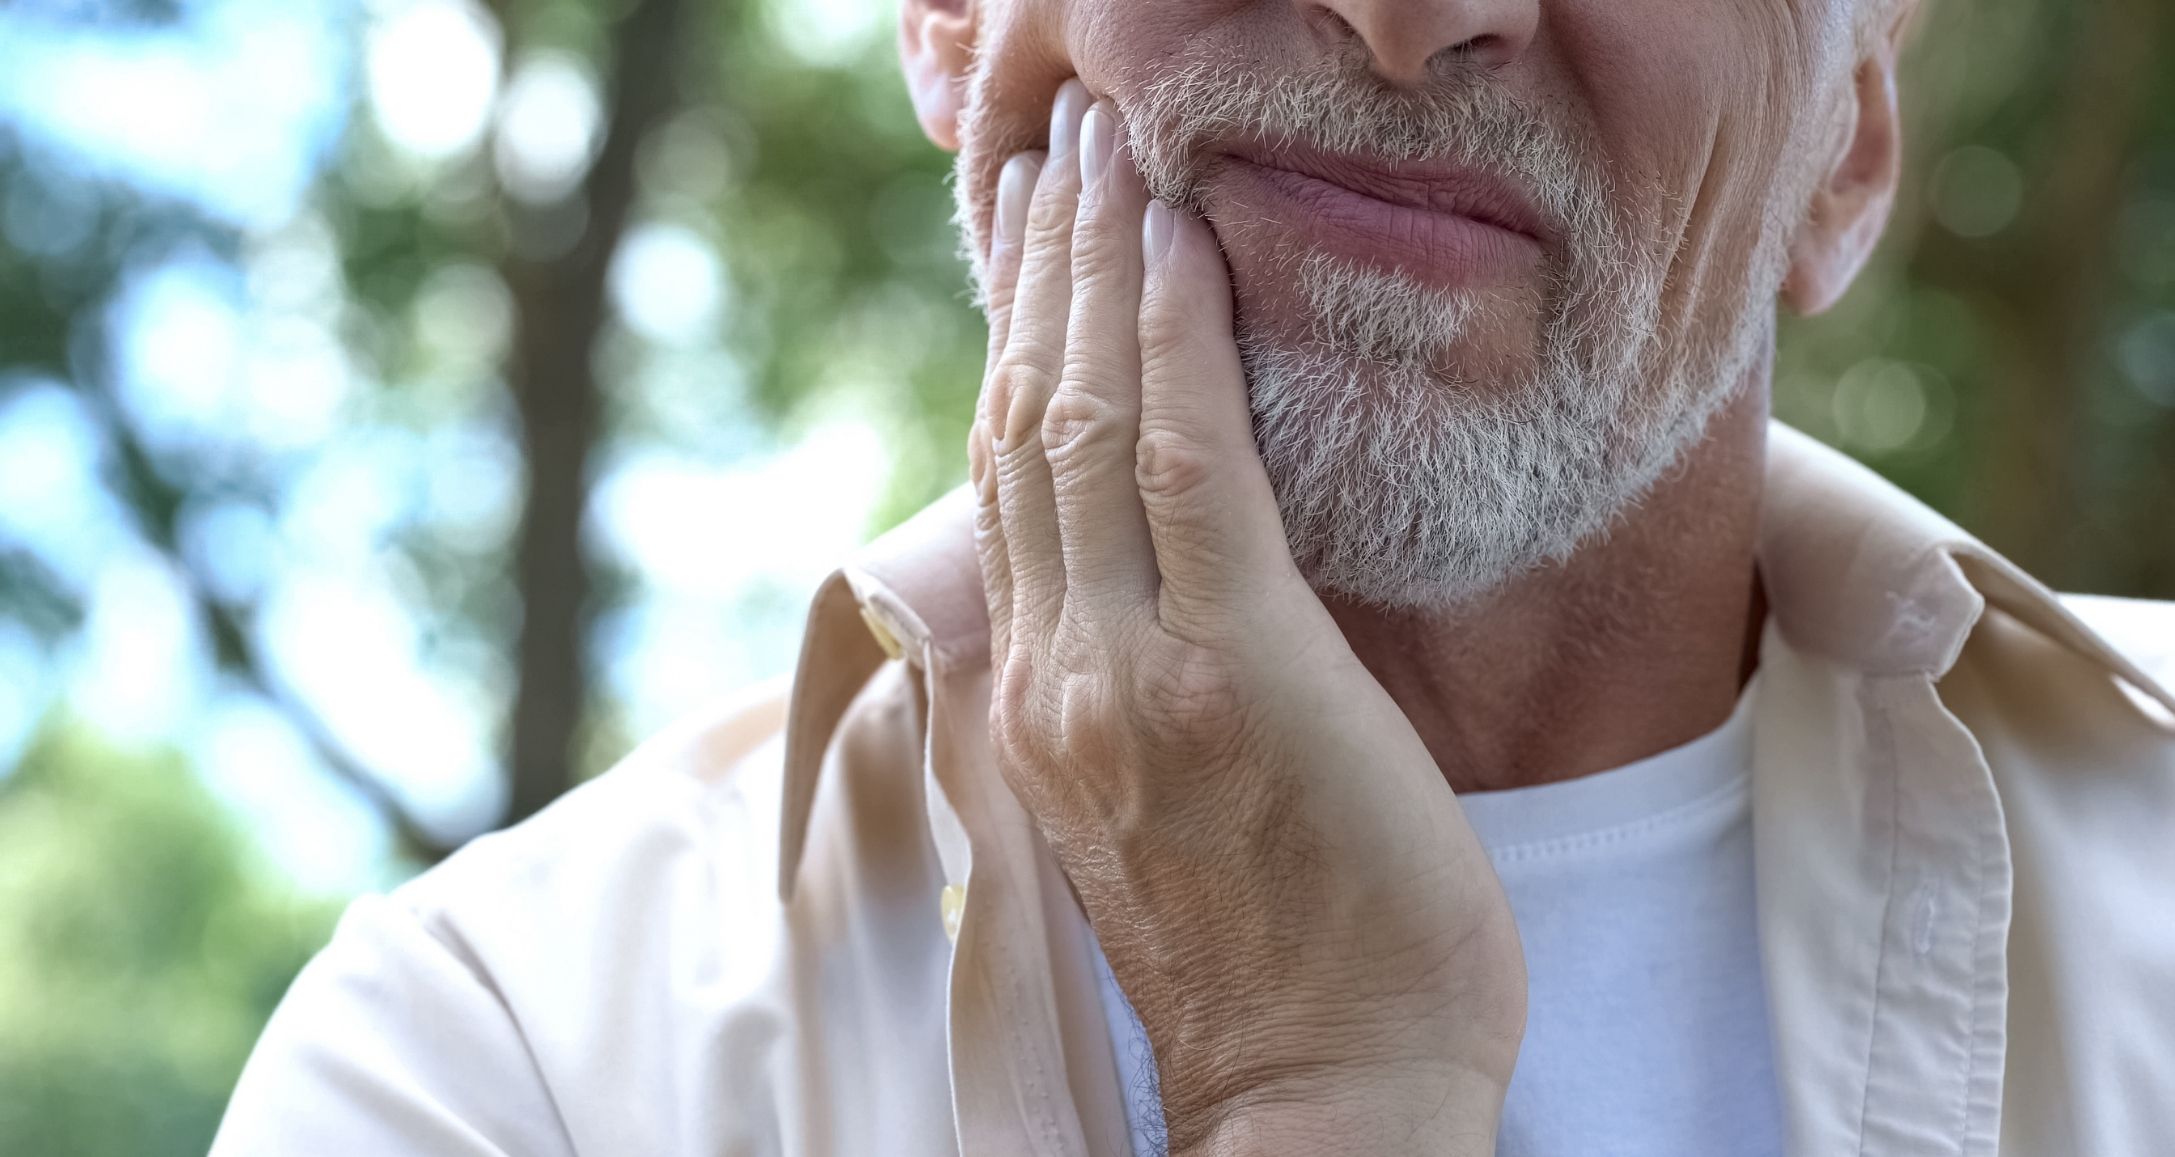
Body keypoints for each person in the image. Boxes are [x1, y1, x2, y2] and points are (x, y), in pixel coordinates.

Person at [213, 0, 2175, 1153]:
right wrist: (1323, 1086)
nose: (1406, 13)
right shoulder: (503, 1072)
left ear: (1843, 142)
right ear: (951, 18)